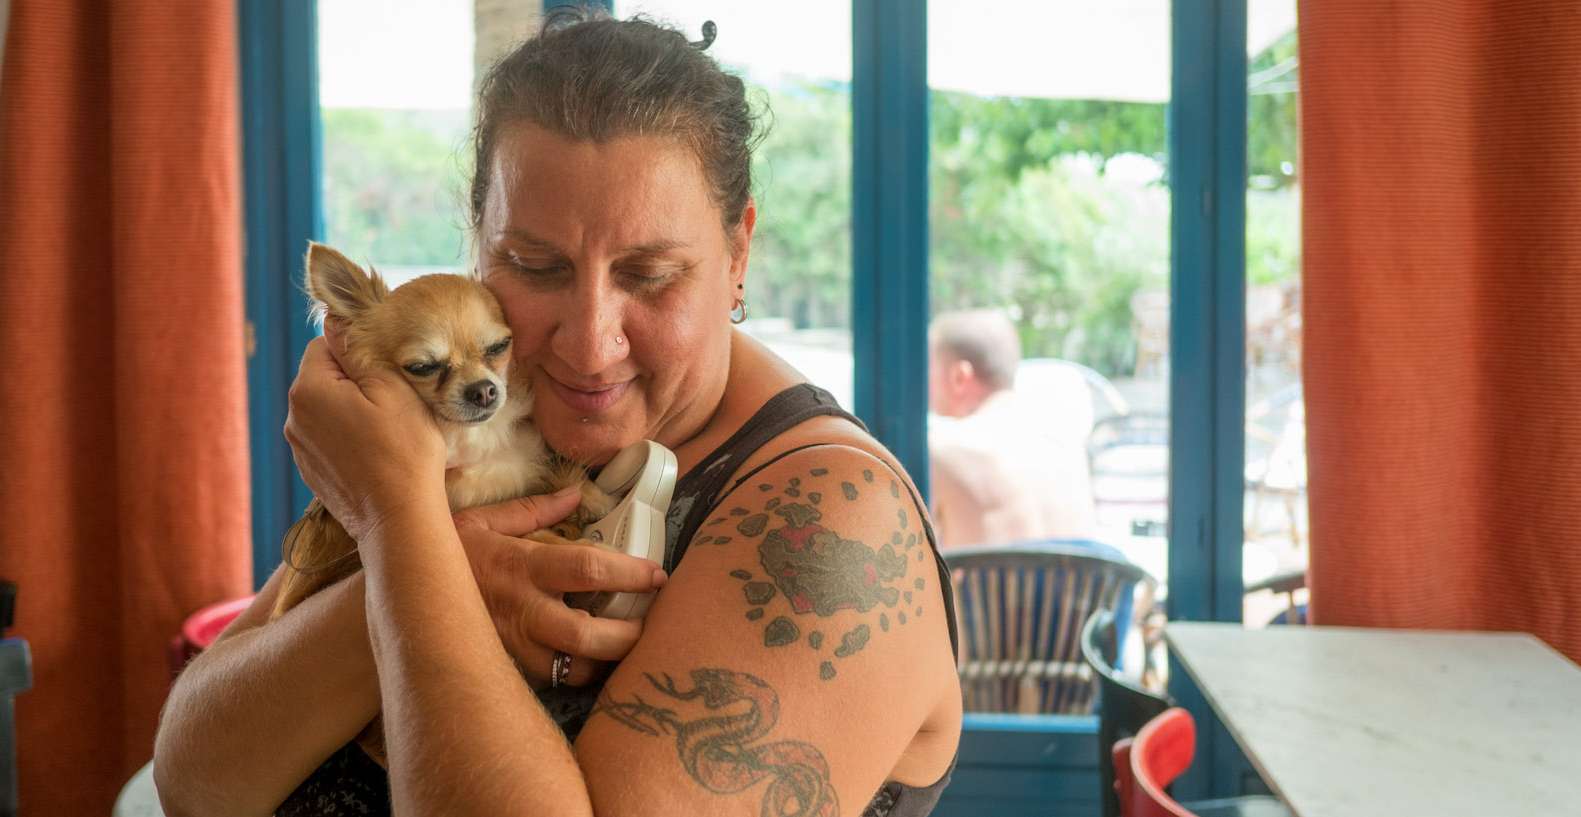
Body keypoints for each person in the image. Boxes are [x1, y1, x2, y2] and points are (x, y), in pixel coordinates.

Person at [153, 11, 962, 817]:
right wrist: (440, 565)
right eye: (535, 266)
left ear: (738, 252)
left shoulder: (833, 523)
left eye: (649, 274)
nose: (587, 343)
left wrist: (404, 529)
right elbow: (193, 774)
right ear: (479, 248)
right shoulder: (492, 418)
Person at [926, 309, 1099, 548]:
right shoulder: (1067, 447)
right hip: (1081, 587)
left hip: (986, 587)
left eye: (928, 366)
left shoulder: (942, 451)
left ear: (959, 376)